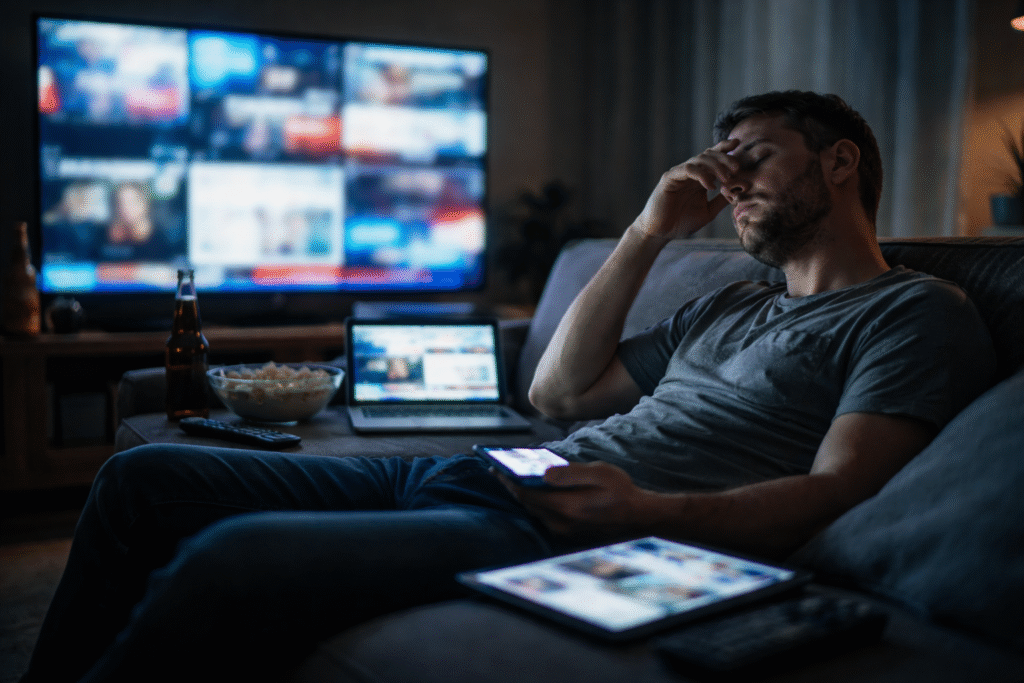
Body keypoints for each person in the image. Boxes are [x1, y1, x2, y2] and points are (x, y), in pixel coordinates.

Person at [21, 91, 995, 683]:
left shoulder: (914, 313)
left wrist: (650, 509)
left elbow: (840, 492)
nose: (730, 185)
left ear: (838, 162)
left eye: (752, 159)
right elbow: (561, 396)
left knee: (230, 558)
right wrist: (651, 228)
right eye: (720, 166)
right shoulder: (732, 304)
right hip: (491, 468)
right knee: (142, 480)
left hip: (558, 522)